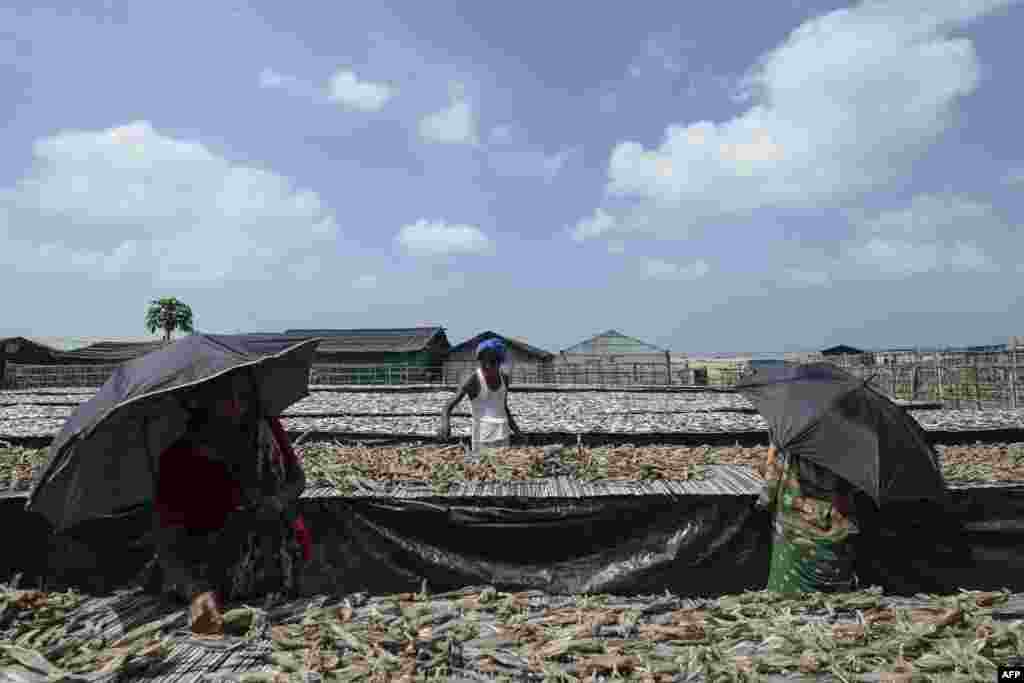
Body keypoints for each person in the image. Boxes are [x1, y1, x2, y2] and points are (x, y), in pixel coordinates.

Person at [141, 370, 312, 634]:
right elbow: (166, 538)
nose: (235, 404)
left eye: (241, 394)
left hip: (278, 563)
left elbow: (297, 480)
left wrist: (277, 501)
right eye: (222, 395)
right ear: (199, 399)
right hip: (217, 578)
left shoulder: (266, 428)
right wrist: (195, 591)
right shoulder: (180, 459)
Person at [756, 441, 859, 594]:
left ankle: (789, 595)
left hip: (794, 528)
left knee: (790, 587)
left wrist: (768, 463)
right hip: (833, 525)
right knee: (830, 584)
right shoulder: (850, 450)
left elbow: (769, 490)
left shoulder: (791, 445)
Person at [438, 339, 522, 453]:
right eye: (483, 361)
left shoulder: (504, 379)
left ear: (500, 362)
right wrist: (445, 424)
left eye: (492, 362)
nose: (487, 365)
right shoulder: (472, 379)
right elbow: (448, 406)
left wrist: (517, 432)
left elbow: (503, 406)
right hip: (481, 439)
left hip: (503, 435)